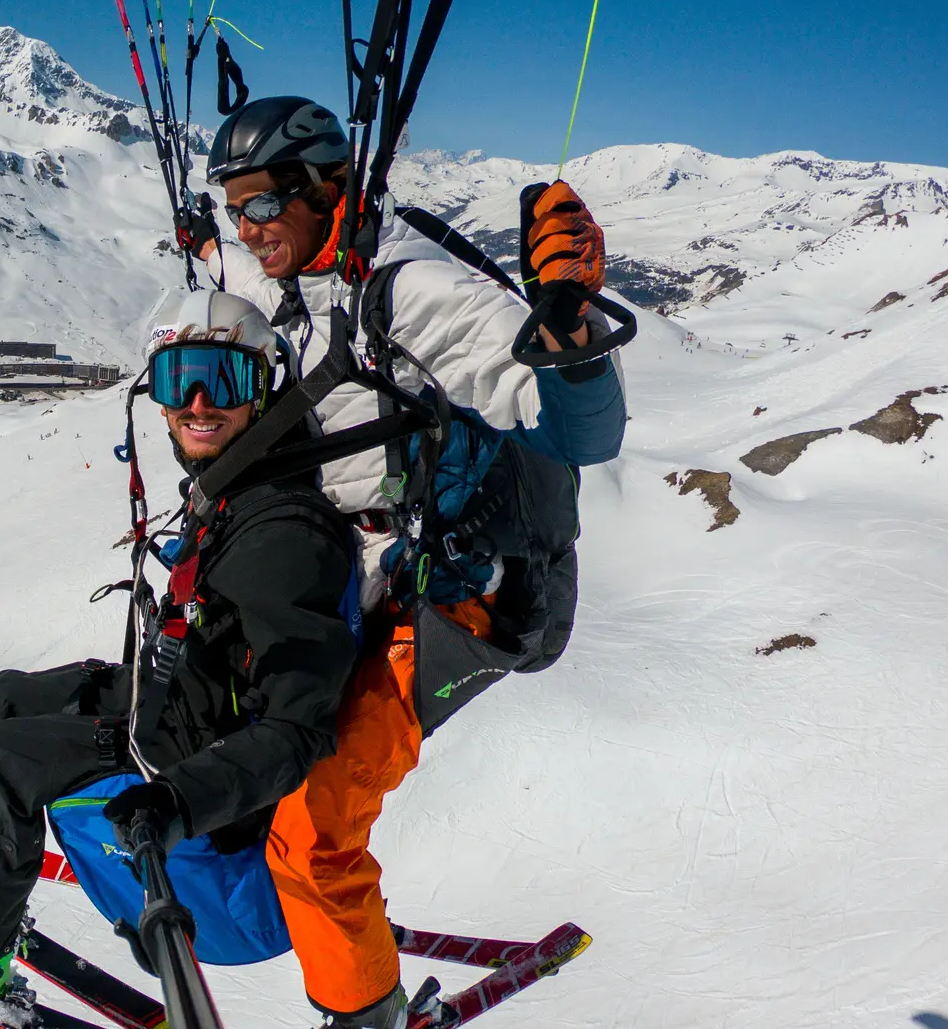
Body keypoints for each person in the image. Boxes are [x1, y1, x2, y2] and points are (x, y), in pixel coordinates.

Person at [189, 96, 628, 1029]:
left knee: (313, 829)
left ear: (321, 188)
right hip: (354, 581)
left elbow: (580, 430)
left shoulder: (407, 290)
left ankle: (366, 1016)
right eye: (234, 209)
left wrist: (568, 330)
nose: (247, 228)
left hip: (449, 600)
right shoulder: (304, 283)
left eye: (262, 204)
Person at [0, 290, 362, 1001]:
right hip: (181, 709)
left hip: (197, 774)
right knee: (5, 696)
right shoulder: (241, 488)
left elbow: (296, 730)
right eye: (176, 378)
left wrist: (177, 803)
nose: (195, 402)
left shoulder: (284, 537)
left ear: (264, 390)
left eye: (223, 379)